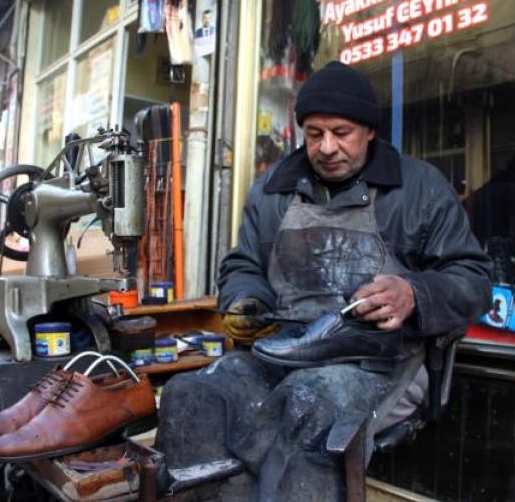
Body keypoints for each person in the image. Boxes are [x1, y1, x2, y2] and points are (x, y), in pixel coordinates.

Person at [155, 61, 493, 501]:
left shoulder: (419, 188)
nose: (327, 147)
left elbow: (474, 278)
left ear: (369, 131)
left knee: (307, 406)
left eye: (341, 132)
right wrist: (245, 298)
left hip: (383, 360)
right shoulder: (273, 190)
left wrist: (413, 294)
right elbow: (243, 264)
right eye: (314, 134)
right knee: (189, 396)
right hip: (286, 347)